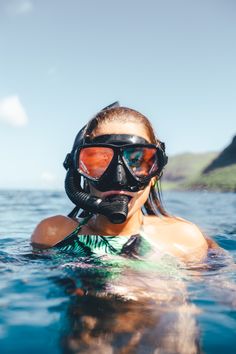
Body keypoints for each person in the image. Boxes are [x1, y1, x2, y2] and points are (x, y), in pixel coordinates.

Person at [31, 103, 216, 263]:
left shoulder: (182, 238)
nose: (118, 179)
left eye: (137, 162)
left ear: (155, 174)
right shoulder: (53, 234)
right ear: (78, 171)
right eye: (99, 163)